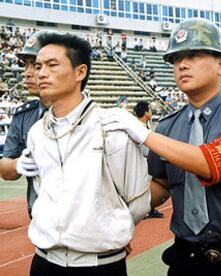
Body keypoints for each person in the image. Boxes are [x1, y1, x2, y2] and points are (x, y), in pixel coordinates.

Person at [104, 18, 221, 275]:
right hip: (185, 257)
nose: (182, 64)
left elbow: (212, 162)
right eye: (176, 58)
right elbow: (161, 184)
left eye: (193, 55)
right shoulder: (169, 126)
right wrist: (124, 221)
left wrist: (144, 135)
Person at [21, 32, 151, 274]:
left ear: (80, 72)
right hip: (44, 262)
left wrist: (109, 229)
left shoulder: (110, 127)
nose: (40, 73)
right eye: (38, 66)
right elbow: (41, 190)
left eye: (51, 65)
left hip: (98, 265)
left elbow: (138, 201)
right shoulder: (37, 132)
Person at [0, 30, 50, 218]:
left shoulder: (88, 115)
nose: (27, 73)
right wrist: (18, 165)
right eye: (26, 65)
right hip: (41, 218)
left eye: (36, 65)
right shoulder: (24, 116)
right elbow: (5, 169)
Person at [133, 101, 164, 219]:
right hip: (142, 160)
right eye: (150, 110)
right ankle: (143, 209)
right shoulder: (138, 128)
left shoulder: (145, 126)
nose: (151, 113)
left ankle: (150, 208)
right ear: (146, 112)